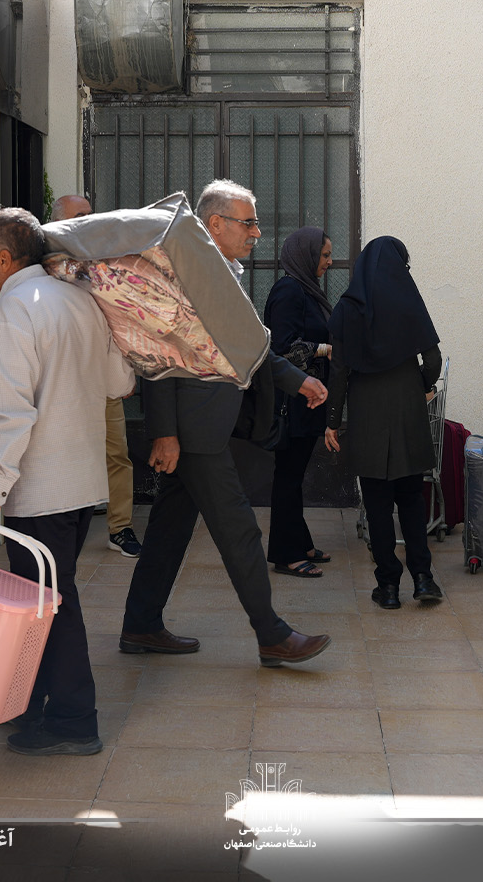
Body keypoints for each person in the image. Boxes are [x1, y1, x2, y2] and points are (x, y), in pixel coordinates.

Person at [120, 179, 333, 668]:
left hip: (204, 425)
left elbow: (246, 346)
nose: (256, 233)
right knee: (240, 530)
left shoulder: (218, 272)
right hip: (193, 432)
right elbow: (162, 354)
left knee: (169, 530)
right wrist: (165, 432)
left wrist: (299, 381)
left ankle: (141, 624)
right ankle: (272, 635)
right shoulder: (184, 274)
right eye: (248, 223)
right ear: (214, 224)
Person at [0, 206, 136, 756]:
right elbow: (119, 384)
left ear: (4, 258)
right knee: (45, 599)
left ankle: (73, 722)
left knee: (50, 604)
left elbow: (10, 416)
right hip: (81, 483)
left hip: (39, 490)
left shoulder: (12, 312)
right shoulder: (80, 299)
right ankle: (30, 704)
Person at [323, 236, 444, 608]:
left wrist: (332, 421)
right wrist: (418, 386)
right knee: (411, 499)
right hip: (406, 411)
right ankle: (423, 579)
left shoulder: (347, 309)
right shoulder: (409, 300)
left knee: (376, 505)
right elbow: (433, 361)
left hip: (367, 414)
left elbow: (339, 372)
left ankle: (388, 586)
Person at [50, 192, 143, 559]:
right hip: (60, 382)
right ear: (58, 222)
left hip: (102, 380)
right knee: (62, 454)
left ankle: (120, 528)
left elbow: (122, 320)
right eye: (79, 216)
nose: (88, 220)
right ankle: (61, 525)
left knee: (117, 454)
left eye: (90, 214)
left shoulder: (105, 258)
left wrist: (125, 373)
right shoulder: (44, 264)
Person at [261, 226, 336, 578]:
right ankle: (285, 554)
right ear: (306, 255)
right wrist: (324, 349)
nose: (329, 262)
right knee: (288, 477)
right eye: (324, 255)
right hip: (292, 401)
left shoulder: (306, 290)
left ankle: (300, 542)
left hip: (307, 399)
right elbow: (280, 348)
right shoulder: (289, 291)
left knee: (294, 475)